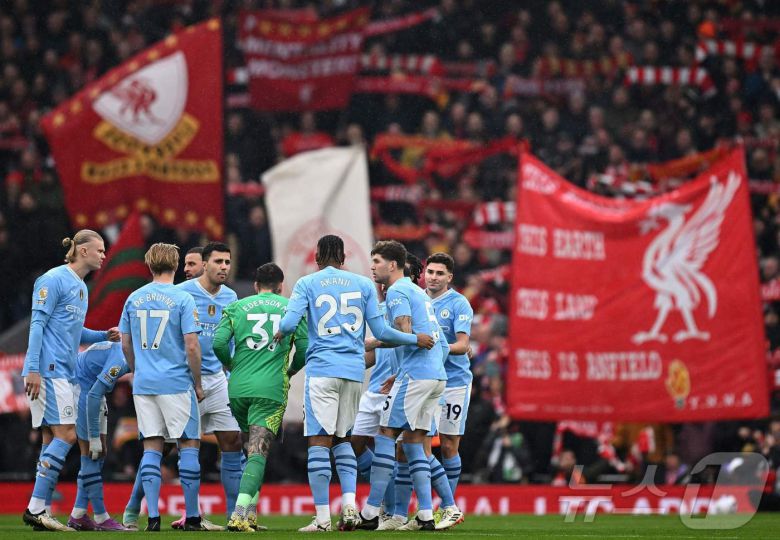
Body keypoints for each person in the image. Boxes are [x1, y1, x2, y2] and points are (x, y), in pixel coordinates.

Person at [275, 235, 435, 532]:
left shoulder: (307, 284)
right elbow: (382, 331)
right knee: (345, 439)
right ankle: (350, 505)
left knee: (319, 441)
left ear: (319, 256)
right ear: (344, 258)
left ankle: (323, 518)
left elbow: (287, 324)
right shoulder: (362, 285)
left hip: (323, 370)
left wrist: (280, 331)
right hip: (352, 371)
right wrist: (414, 338)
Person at [22, 229, 120, 532]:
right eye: (100, 249)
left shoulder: (81, 287)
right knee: (66, 434)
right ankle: (36, 508)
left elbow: (75, 333)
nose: (104, 254)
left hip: (60, 371)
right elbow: (37, 324)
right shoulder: (53, 279)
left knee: (51, 439)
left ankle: (43, 510)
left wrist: (103, 335)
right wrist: (32, 368)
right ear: (82, 251)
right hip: (50, 371)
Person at [357, 240, 449, 531]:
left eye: (377, 261)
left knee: (385, 433)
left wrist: (374, 341)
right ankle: (424, 515)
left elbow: (405, 333)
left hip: (417, 374)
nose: (372, 267)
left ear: (393, 265)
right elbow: (429, 339)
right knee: (413, 441)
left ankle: (372, 511)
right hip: (435, 376)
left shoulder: (397, 291)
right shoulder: (417, 291)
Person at [214, 263, 308, 532]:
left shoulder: (236, 307)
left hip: (238, 388)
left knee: (251, 449)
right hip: (270, 389)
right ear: (280, 286)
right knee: (258, 452)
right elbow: (303, 348)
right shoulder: (290, 308)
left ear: (256, 286)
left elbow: (218, 343)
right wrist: (290, 370)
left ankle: (251, 513)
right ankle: (239, 514)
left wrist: (232, 365)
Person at [119, 243, 205, 532]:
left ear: (149, 264)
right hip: (177, 382)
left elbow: (126, 342)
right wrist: (198, 381)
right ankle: (192, 515)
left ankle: (152, 517)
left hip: (144, 384)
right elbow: (192, 345)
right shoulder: (183, 297)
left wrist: (136, 370)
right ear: (177, 263)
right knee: (189, 445)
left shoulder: (134, 298)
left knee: (152, 449)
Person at [171, 241, 240, 529]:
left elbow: (233, 338)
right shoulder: (181, 294)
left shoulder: (232, 296)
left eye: (227, 262)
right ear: (205, 263)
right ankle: (190, 515)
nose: (224, 267)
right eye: (218, 262)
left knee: (233, 442)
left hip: (218, 378)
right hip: (185, 380)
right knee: (179, 446)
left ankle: (235, 518)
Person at [425, 253, 474, 502]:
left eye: (439, 273)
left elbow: (463, 344)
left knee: (447, 445)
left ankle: (447, 505)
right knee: (416, 444)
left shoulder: (459, 303)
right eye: (430, 272)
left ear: (449, 277)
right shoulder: (416, 300)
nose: (433, 277)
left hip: (454, 382)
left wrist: (433, 345)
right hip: (425, 380)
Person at [67, 341, 129, 531]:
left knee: (100, 454)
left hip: (93, 388)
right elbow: (93, 394)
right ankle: (101, 517)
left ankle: (78, 514)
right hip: (83, 389)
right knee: (90, 453)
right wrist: (93, 437)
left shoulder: (131, 351)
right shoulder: (122, 358)